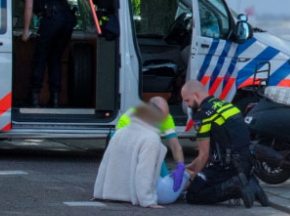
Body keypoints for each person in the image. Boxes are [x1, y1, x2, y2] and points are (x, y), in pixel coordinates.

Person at [181, 79, 268, 208]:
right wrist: (189, 167)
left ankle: (236, 186)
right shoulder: (225, 105)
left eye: (187, 100)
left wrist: (194, 177)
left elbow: (204, 155)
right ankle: (250, 183)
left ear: (196, 95)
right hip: (246, 164)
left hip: (229, 168)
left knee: (193, 194)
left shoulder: (203, 114)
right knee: (203, 177)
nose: (187, 105)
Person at [114, 96, 189, 204]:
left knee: (163, 178)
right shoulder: (129, 118)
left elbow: (175, 145)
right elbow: (118, 150)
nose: (163, 120)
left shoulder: (166, 117)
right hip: (129, 151)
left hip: (149, 149)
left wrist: (180, 166)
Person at [94, 102, 167, 208]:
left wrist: (98, 193)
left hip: (110, 194)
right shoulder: (151, 138)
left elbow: (105, 164)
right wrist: (148, 201)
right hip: (131, 196)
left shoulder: (119, 133)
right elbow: (145, 171)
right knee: (179, 182)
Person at [22, 0, 77, 108]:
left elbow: (29, 7)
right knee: (55, 59)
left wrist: (25, 30)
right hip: (68, 22)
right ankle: (55, 100)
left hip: (52, 20)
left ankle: (34, 100)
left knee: (40, 59)